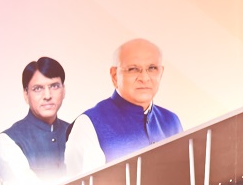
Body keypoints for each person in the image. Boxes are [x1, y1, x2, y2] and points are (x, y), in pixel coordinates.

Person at [66, 39, 182, 176]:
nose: (144, 78)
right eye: (133, 69)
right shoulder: (89, 124)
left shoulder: (171, 121)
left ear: (161, 73)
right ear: (115, 76)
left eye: (152, 68)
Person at [0, 57, 69, 185]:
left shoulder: (75, 132)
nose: (47, 96)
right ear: (26, 94)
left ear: (63, 90)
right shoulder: (8, 140)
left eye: (54, 86)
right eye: (38, 89)